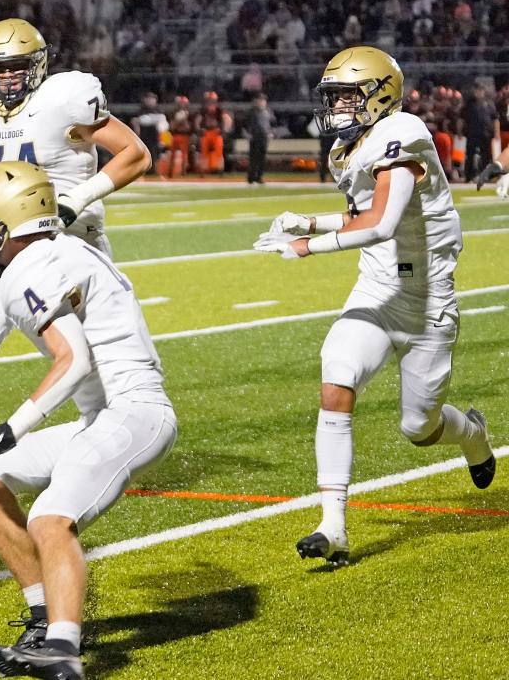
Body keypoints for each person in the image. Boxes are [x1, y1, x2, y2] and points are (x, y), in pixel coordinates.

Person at [254, 46, 495, 567]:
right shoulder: (349, 148)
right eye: (333, 96)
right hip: (376, 292)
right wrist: (309, 221)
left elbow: (382, 223)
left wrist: (305, 247)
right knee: (336, 377)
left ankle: (472, 433)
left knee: (419, 428)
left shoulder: (401, 133)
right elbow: (358, 216)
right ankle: (333, 526)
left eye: (348, 95)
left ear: (380, 94)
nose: (338, 106)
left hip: (427, 302)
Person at [0, 18, 150, 508]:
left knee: (85, 370)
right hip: (1, 247)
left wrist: (78, 199)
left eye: (18, 67)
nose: (9, 78)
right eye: (0, 68)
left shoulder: (64, 99)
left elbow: (134, 154)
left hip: (66, 248)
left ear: (38, 66)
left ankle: (104, 443)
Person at [0, 160, 177, 679]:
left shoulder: (28, 267)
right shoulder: (67, 247)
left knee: (50, 518)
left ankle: (62, 648)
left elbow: (73, 359)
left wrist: (12, 426)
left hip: (133, 410)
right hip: (108, 413)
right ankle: (43, 619)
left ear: (1, 223)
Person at [130, 91, 169, 175]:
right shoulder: (141, 111)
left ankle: (156, 170)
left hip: (155, 137)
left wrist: (164, 139)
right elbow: (136, 124)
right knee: (144, 155)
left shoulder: (159, 111)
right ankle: (143, 171)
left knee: (156, 155)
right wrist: (137, 136)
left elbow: (164, 126)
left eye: (152, 99)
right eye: (148, 99)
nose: (150, 101)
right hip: (144, 136)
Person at [244, 93, 273, 184]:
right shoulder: (251, 112)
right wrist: (248, 134)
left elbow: (272, 124)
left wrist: (271, 133)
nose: (261, 102)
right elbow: (245, 125)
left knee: (262, 159)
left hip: (264, 137)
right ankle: (251, 176)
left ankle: (259, 176)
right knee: (253, 158)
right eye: (260, 100)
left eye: (263, 100)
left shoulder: (268, 112)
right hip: (254, 137)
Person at [167, 95, 194, 177]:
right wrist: (178, 120)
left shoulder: (190, 114)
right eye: (180, 103)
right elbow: (171, 126)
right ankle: (170, 172)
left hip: (185, 135)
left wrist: (184, 119)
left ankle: (183, 172)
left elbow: (189, 127)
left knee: (184, 155)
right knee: (172, 155)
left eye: (183, 103)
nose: (182, 105)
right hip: (174, 135)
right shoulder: (172, 113)